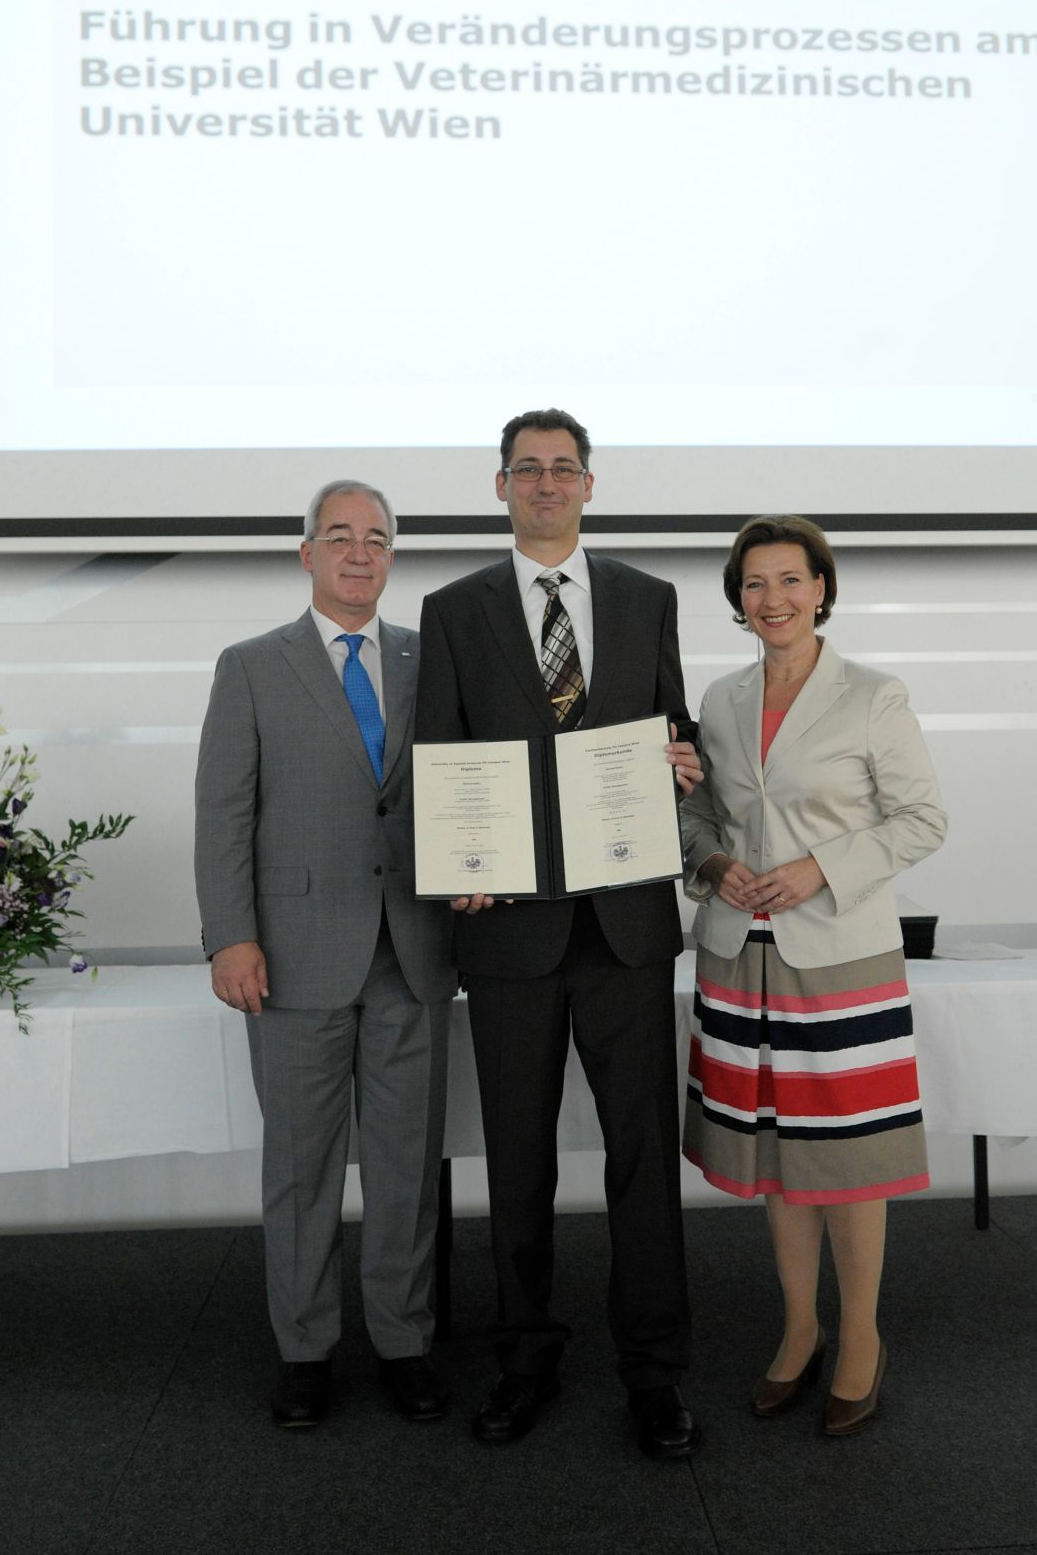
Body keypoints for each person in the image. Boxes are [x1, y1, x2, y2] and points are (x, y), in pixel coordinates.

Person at [415, 408, 704, 1460]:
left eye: (562, 468)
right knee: (519, 1158)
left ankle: (654, 1372)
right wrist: (456, 865)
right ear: (501, 487)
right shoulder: (453, 610)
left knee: (642, 1158)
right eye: (526, 469)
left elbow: (673, 730)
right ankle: (524, 1356)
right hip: (509, 934)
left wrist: (683, 760)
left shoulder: (646, 598)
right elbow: (438, 756)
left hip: (625, 924)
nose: (545, 483)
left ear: (590, 483)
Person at [194, 481, 455, 1428]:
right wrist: (231, 934)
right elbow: (224, 812)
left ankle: (404, 1341)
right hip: (294, 956)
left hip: (416, 949)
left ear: (392, 558)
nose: (359, 553)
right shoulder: (253, 666)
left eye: (377, 539)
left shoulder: (434, 661)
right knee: (302, 1169)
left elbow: (475, 786)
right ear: (305, 553)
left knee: (405, 1164)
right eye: (339, 537)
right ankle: (305, 1350)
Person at [681, 514, 946, 1436]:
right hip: (735, 952)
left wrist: (819, 869)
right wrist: (714, 867)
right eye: (755, 584)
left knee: (846, 1158)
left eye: (791, 580)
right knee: (778, 1160)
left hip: (838, 954)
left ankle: (862, 1336)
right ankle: (799, 1330)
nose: (774, 599)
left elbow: (921, 821)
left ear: (822, 589)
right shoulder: (718, 700)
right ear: (737, 600)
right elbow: (698, 821)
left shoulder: (873, 695)